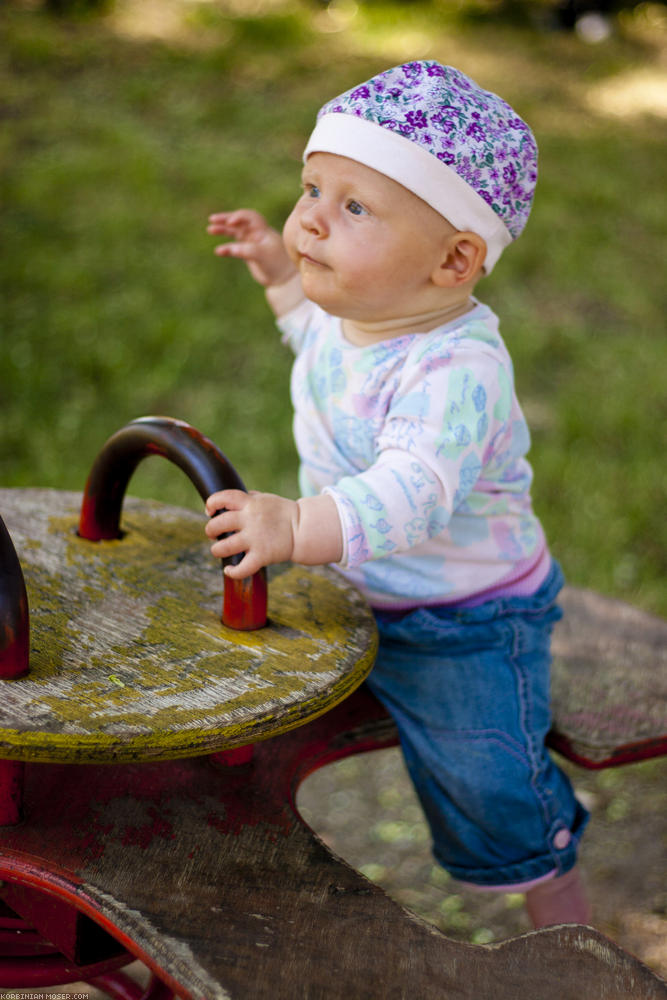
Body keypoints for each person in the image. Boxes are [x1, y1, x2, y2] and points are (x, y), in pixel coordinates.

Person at [204, 61, 591, 929]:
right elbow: (314, 338)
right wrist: (279, 271)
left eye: (352, 208)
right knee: (238, 709)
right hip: (359, 586)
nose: (308, 216)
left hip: (466, 617)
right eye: (311, 187)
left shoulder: (456, 369)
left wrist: (297, 522)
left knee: (485, 779)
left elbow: (411, 491)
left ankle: (560, 914)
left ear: (454, 261)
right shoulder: (362, 315)